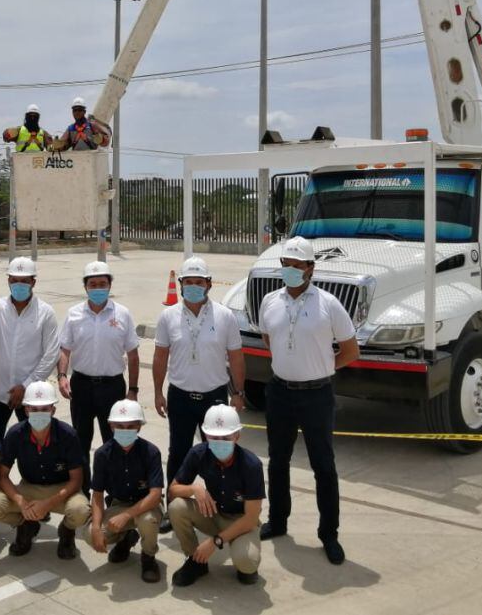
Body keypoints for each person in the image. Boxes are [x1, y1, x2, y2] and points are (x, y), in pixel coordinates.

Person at [258, 236, 359, 565]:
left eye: (297, 266)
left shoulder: (328, 304)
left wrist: (324, 367)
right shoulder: (270, 301)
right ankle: (278, 521)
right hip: (280, 392)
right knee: (278, 460)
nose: (289, 271)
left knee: (323, 467)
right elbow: (267, 338)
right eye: (285, 266)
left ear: (310, 268)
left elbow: (350, 350)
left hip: (317, 394)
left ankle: (329, 534)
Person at [152, 255, 246, 533]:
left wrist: (238, 392)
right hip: (180, 396)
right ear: (181, 285)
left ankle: (223, 506)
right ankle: (174, 507)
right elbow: (159, 357)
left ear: (209, 284)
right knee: (178, 452)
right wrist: (158, 392)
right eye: (188, 282)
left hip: (214, 397)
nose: (194, 286)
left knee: (221, 456)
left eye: (199, 282)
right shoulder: (168, 316)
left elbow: (237, 357)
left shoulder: (225, 316)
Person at [0, 381, 90, 559]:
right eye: (34, 409)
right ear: (26, 410)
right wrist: (21, 502)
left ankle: (67, 531)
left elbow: (76, 480)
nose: (39, 413)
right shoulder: (16, 433)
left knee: (81, 511)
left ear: (53, 410)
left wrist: (48, 503)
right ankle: (26, 523)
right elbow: (2, 476)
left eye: (44, 409)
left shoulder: (67, 434)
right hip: (29, 488)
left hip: (61, 489)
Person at [57, 261, 140, 494]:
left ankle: (114, 494)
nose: (97, 288)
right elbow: (64, 349)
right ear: (85, 287)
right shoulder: (74, 314)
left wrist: (133, 390)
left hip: (112, 387)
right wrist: (62, 375)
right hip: (81, 386)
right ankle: (82, 494)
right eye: (92, 284)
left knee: (114, 443)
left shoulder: (122, 314)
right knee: (80, 443)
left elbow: (133, 355)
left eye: (102, 284)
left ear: (110, 285)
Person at [168, 404, 264, 587]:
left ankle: (243, 560)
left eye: (225, 437)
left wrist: (215, 542)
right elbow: (173, 490)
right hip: (212, 513)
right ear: (205, 436)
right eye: (213, 437)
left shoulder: (251, 465)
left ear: (237, 436)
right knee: (177, 507)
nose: (219, 442)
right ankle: (196, 561)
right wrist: (194, 489)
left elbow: (251, 518)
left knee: (247, 562)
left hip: (240, 521)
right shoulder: (199, 453)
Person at [0, 257, 60, 439]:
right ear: (8, 281)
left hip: (31, 395)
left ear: (33, 282)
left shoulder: (45, 312)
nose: (19, 285)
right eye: (14, 280)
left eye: (24, 281)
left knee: (32, 444)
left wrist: (27, 385)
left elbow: (51, 354)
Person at [85, 399, 163, 583]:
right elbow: (97, 495)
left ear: (139, 427)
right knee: (89, 534)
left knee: (148, 520)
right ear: (111, 426)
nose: (125, 430)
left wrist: (126, 515)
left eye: (130, 426)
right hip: (119, 503)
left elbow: (155, 495)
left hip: (146, 505)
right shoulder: (102, 454)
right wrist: (96, 528)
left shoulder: (151, 452)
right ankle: (126, 538)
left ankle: (148, 557)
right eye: (119, 425)